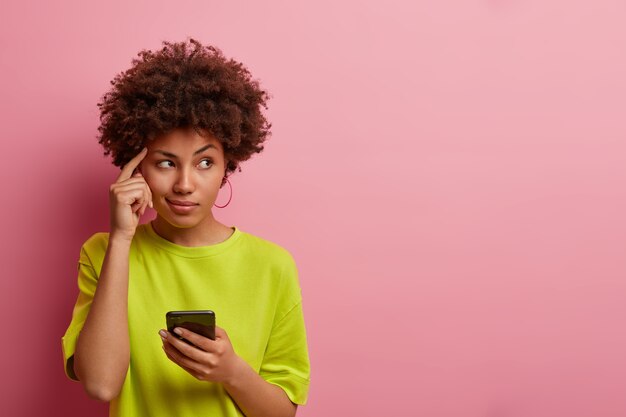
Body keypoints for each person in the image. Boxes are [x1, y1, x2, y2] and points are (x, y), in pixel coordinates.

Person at [61, 39, 310, 417]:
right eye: (165, 163)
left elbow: (282, 413)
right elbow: (100, 384)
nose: (184, 184)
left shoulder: (272, 265)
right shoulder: (103, 252)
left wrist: (233, 372)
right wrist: (121, 239)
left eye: (205, 163)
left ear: (229, 163)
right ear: (138, 167)